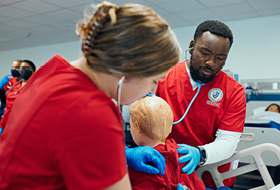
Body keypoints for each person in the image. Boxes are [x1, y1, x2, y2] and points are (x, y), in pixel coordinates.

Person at [0, 1, 181, 189]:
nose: (152, 91)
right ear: (130, 68)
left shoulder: (50, 71)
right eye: (154, 80)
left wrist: (122, 153)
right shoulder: (92, 111)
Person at [126, 20, 246, 189]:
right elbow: (133, 115)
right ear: (191, 46)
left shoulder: (234, 91)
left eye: (220, 58)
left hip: (212, 175)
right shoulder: (162, 76)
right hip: (165, 168)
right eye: (205, 53)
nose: (211, 63)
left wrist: (200, 154)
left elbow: (228, 140)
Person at [128, 96, 205, 190]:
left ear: (137, 126)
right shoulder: (183, 155)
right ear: (170, 128)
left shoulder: (141, 165)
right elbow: (198, 186)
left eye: (131, 125)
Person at [0, 60, 36, 136]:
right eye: (21, 68)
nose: (23, 70)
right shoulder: (15, 85)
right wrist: (2, 125)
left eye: (26, 68)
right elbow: (8, 108)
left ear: (33, 70)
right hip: (10, 125)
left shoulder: (36, 86)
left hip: (27, 125)